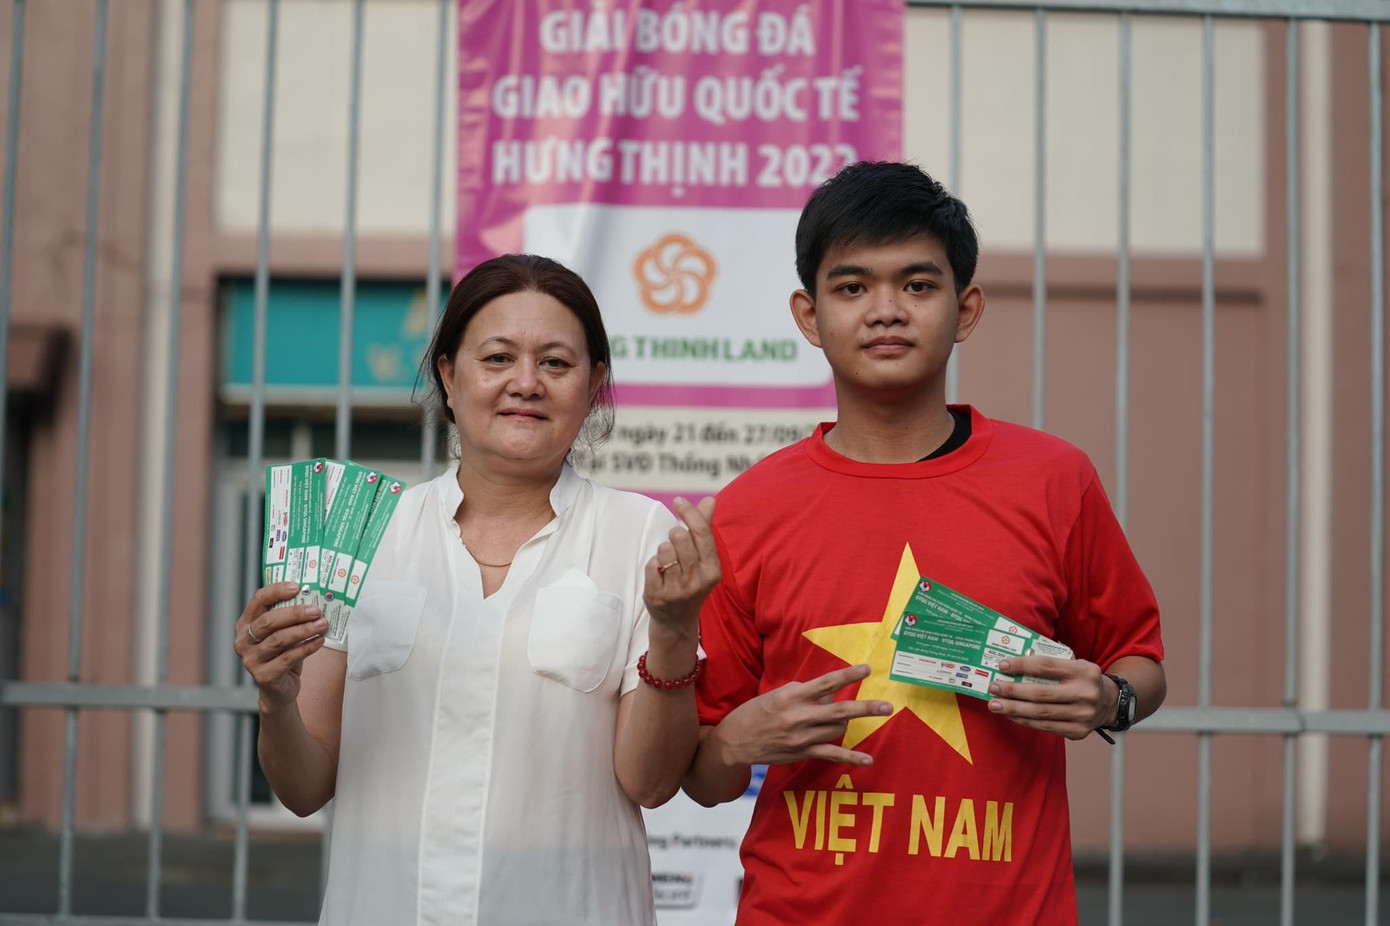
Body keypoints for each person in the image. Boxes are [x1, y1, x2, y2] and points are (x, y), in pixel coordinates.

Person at [682, 162, 1166, 925]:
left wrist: (1113, 697)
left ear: (965, 307)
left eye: (917, 284)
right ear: (808, 316)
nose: (885, 311)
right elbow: (703, 774)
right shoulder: (749, 511)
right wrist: (737, 740)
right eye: (852, 287)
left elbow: (1140, 659)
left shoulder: (1053, 481)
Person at [234, 254, 719, 926]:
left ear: (593, 383)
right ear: (449, 376)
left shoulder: (641, 535)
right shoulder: (367, 537)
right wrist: (276, 698)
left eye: (556, 363)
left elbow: (654, 783)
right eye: (497, 359)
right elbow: (302, 787)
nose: (526, 383)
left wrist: (672, 634)